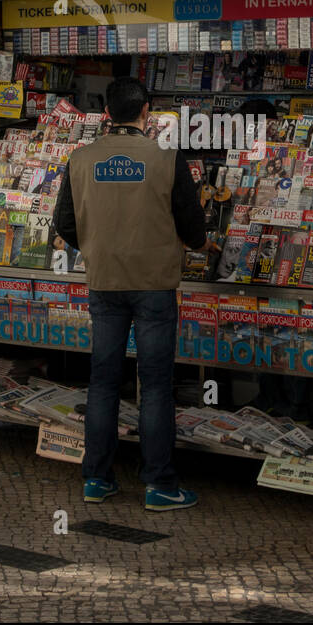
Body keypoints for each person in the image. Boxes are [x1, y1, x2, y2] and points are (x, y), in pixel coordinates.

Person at [52, 77, 213, 512]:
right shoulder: (167, 159)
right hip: (155, 285)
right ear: (147, 113)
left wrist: (96, 243)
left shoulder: (80, 159)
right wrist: (196, 245)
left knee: (102, 382)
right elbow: (193, 227)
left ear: (107, 114)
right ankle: (159, 485)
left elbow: (63, 223)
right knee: (156, 384)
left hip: (104, 282)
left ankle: (97, 480)